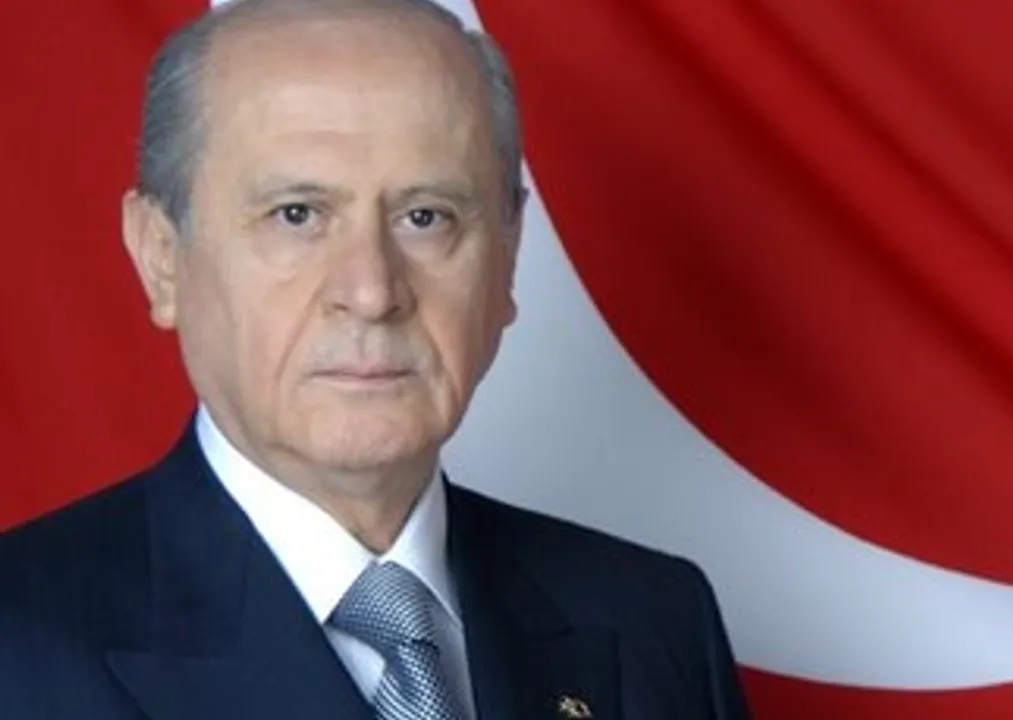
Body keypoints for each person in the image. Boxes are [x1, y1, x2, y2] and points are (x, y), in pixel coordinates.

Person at [0, 1, 753, 718]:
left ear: (509, 255)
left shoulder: (653, 620)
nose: (371, 291)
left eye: (426, 217)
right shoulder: (19, 643)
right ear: (162, 258)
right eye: (297, 215)